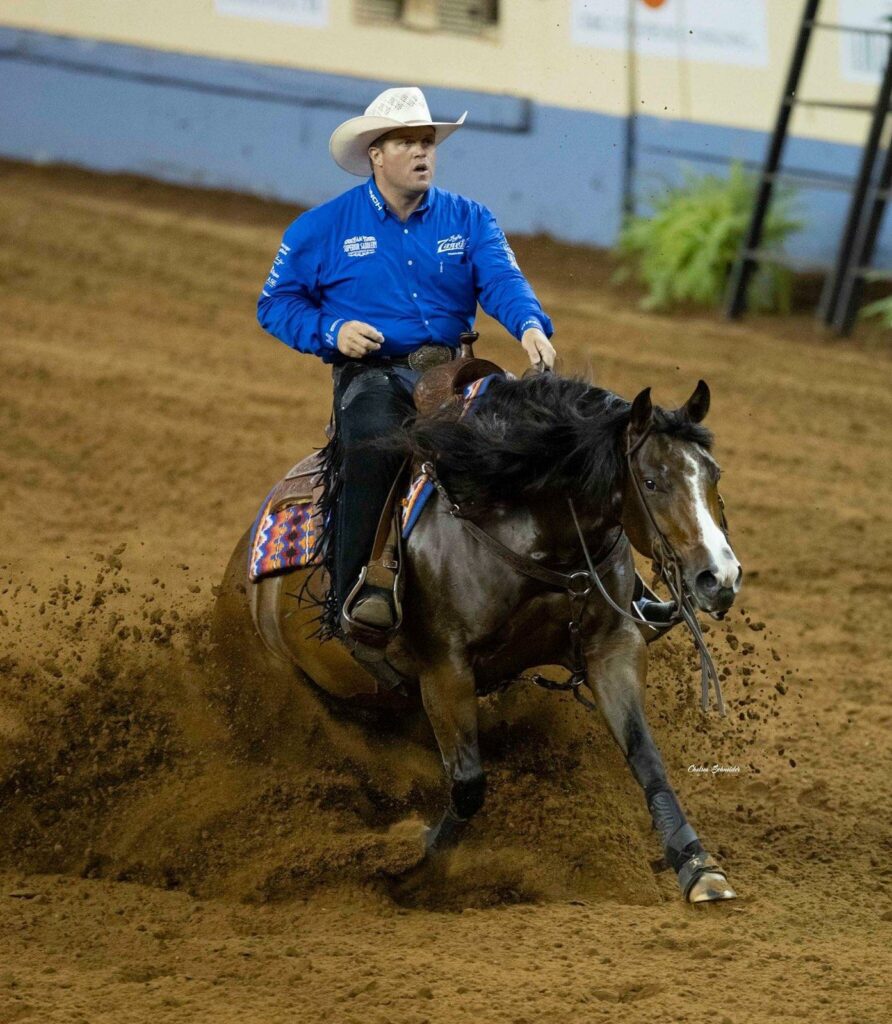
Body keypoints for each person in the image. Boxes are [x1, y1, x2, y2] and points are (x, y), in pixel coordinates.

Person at [257, 86, 556, 638]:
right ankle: (355, 596)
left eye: (428, 142)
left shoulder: (470, 218)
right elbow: (275, 304)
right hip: (374, 377)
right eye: (408, 142)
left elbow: (503, 281)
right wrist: (331, 330)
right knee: (373, 447)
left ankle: (579, 585)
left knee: (539, 438)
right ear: (375, 154)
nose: (423, 153)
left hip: (456, 373)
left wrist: (530, 325)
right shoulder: (320, 229)